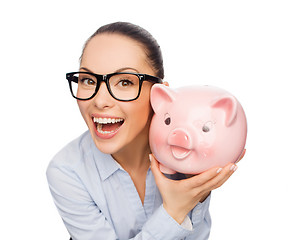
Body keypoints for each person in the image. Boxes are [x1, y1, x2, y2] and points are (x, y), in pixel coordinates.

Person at [46, 22, 244, 240]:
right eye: (88, 80)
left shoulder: (184, 153)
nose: (99, 100)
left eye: (124, 82)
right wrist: (174, 211)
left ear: (159, 95)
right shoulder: (67, 171)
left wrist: (199, 190)